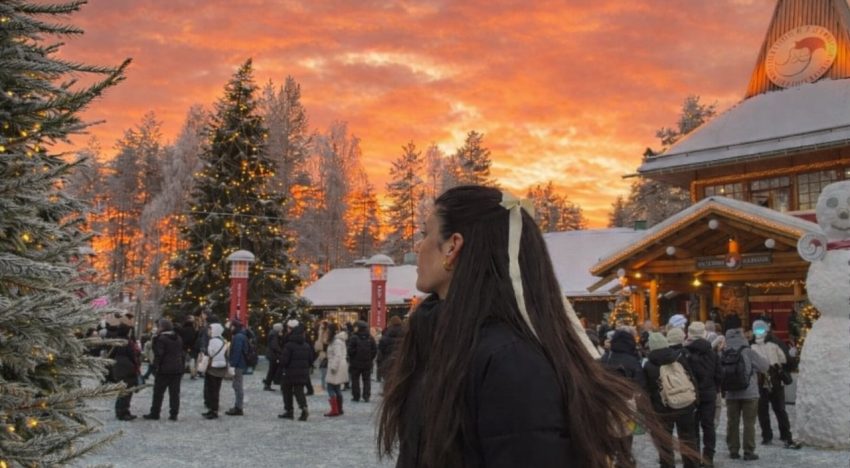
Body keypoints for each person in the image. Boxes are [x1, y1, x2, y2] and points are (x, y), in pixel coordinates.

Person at [377, 186, 657, 467]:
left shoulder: (511, 362)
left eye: (425, 233)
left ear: (453, 246)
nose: (418, 247)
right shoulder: (439, 341)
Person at [644, 332, 699, 468]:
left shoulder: (649, 365)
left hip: (662, 408)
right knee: (688, 439)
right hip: (685, 404)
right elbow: (691, 378)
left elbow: (646, 390)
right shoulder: (678, 358)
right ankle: (691, 465)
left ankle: (667, 465)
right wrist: (695, 400)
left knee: (664, 442)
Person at [723, 315, 769, 461]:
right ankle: (749, 451)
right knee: (749, 423)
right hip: (749, 393)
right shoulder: (748, 350)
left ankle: (733, 450)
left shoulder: (724, 351)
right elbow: (764, 366)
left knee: (732, 422)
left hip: (731, 393)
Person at [751, 319, 801, 449]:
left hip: (767, 379)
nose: (759, 332)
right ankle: (777, 435)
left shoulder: (757, 344)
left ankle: (774, 435)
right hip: (768, 379)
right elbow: (785, 359)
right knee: (773, 409)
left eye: (760, 329)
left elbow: (785, 360)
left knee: (769, 409)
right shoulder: (770, 342)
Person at [685, 321, 721, 467]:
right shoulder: (712, 353)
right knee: (708, 426)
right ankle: (708, 458)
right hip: (709, 394)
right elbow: (719, 374)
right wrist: (715, 388)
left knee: (692, 428)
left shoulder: (685, 353)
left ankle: (694, 457)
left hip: (691, 395)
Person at [144, 319, 184, 421]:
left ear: (162, 327)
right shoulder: (178, 338)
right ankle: (174, 414)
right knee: (174, 393)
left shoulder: (161, 339)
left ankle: (155, 413)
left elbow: (159, 354)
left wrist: (154, 366)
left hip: (164, 369)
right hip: (177, 369)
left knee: (158, 392)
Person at [106, 320, 140, 421]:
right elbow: (133, 356)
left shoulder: (115, 341)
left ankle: (119, 410)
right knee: (127, 390)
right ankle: (123, 412)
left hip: (117, 368)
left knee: (122, 389)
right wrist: (136, 365)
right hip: (127, 368)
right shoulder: (128, 342)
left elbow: (110, 354)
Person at [278, 324, 313, 421]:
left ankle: (289, 410)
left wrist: (280, 362)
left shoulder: (289, 345)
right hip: (303, 372)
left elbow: (284, 361)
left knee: (287, 391)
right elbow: (311, 359)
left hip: (289, 372)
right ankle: (304, 407)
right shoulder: (306, 346)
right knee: (299, 391)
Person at [201, 323, 228, 419]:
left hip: (213, 367)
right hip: (222, 366)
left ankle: (213, 410)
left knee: (212, 390)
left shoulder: (212, 341)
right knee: (216, 389)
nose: (209, 331)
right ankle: (214, 409)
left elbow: (210, 353)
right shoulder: (223, 340)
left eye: (210, 329)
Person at [348, 320, 377, 402]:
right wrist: (370, 358)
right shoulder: (370, 338)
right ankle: (366, 396)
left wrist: (353, 357)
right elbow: (374, 350)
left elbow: (350, 350)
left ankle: (356, 396)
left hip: (355, 363)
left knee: (355, 380)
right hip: (367, 363)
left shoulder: (354, 337)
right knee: (367, 380)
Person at [324, 323, 348, 417]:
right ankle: (339, 408)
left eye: (327, 330)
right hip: (338, 365)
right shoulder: (336, 340)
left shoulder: (336, 341)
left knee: (330, 387)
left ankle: (335, 409)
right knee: (336, 387)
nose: (326, 332)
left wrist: (333, 367)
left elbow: (337, 355)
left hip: (336, 366)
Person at [225, 319, 248, 416]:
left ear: (234, 327)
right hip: (240, 363)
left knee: (237, 385)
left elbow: (237, 352)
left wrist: (233, 365)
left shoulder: (238, 337)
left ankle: (238, 407)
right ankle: (238, 406)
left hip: (238, 364)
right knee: (237, 385)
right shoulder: (241, 335)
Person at [377, 315, 404, 382]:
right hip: (401, 360)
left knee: (388, 380)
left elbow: (381, 347)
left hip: (388, 360)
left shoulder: (387, 332)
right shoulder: (405, 332)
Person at [263, 323, 283, 391]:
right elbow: (275, 346)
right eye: (281, 329)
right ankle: (267, 384)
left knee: (272, 370)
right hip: (273, 355)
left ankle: (268, 383)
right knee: (272, 370)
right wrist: (281, 351)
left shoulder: (273, 334)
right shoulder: (274, 335)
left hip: (272, 354)